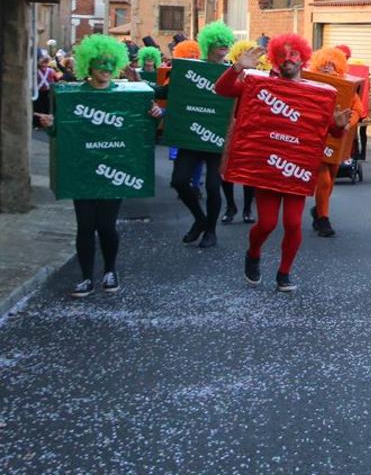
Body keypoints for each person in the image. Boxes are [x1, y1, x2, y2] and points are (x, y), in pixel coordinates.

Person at [215, 33, 351, 292]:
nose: (288, 60)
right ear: (275, 60)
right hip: (267, 166)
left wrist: (338, 127)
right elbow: (222, 90)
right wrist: (237, 68)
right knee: (266, 223)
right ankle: (253, 253)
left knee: (292, 222)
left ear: (303, 58)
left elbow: (329, 131)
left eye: (294, 55)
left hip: (296, 169)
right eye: (283, 56)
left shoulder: (317, 94)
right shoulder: (259, 85)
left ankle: (284, 272)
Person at [35, 34, 163, 297]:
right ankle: (85, 278)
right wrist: (51, 127)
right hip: (82, 172)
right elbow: (63, 133)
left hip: (113, 173)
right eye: (100, 64)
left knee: (106, 226)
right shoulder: (72, 95)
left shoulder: (128, 96)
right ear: (88, 65)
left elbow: (143, 131)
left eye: (109, 64)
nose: (105, 70)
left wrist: (156, 115)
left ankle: (110, 270)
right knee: (85, 226)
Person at [166, 21, 235, 250]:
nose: (223, 46)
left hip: (218, 141)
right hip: (192, 138)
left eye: (226, 42)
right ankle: (200, 219)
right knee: (178, 181)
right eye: (218, 42)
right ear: (208, 45)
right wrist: (139, 84)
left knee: (214, 187)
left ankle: (211, 231)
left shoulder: (236, 72)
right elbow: (168, 92)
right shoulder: (191, 69)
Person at [221, 38, 265, 225]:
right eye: (243, 55)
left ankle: (247, 208)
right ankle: (230, 206)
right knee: (225, 171)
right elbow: (222, 89)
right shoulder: (235, 75)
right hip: (233, 129)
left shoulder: (264, 77)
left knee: (250, 173)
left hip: (255, 132)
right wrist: (237, 68)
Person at [308, 45, 349, 238]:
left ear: (339, 68)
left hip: (337, 138)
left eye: (331, 65)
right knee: (323, 179)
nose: (327, 68)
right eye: (323, 64)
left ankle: (318, 209)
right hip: (315, 138)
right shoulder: (310, 84)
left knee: (330, 180)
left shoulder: (346, 87)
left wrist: (348, 122)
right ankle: (324, 219)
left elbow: (356, 109)